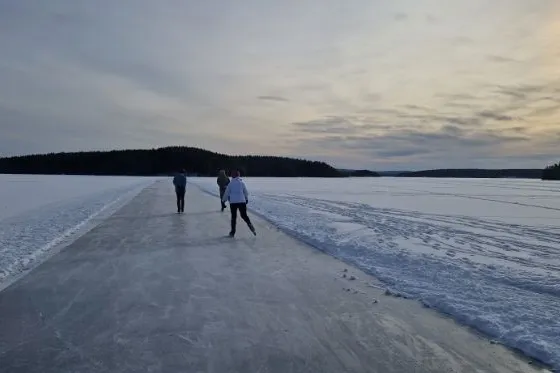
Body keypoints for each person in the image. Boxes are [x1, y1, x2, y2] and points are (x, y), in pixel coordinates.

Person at [222, 170, 256, 237]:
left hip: (233, 202)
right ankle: (250, 224)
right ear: (238, 176)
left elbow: (226, 193)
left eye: (232, 175)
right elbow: (246, 192)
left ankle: (232, 232)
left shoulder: (230, 184)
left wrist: (223, 201)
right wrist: (246, 199)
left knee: (233, 217)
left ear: (233, 176)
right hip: (242, 202)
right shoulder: (241, 183)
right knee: (244, 215)